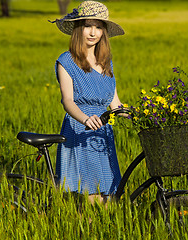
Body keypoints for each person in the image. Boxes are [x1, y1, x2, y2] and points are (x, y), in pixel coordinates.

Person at [51, 1, 125, 204]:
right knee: (92, 196)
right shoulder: (66, 61)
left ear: (104, 32)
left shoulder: (106, 62)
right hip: (80, 128)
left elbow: (115, 102)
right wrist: (85, 119)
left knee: (110, 196)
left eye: (99, 27)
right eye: (88, 26)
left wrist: (141, 114)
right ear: (78, 29)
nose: (93, 32)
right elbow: (67, 101)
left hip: (103, 131)